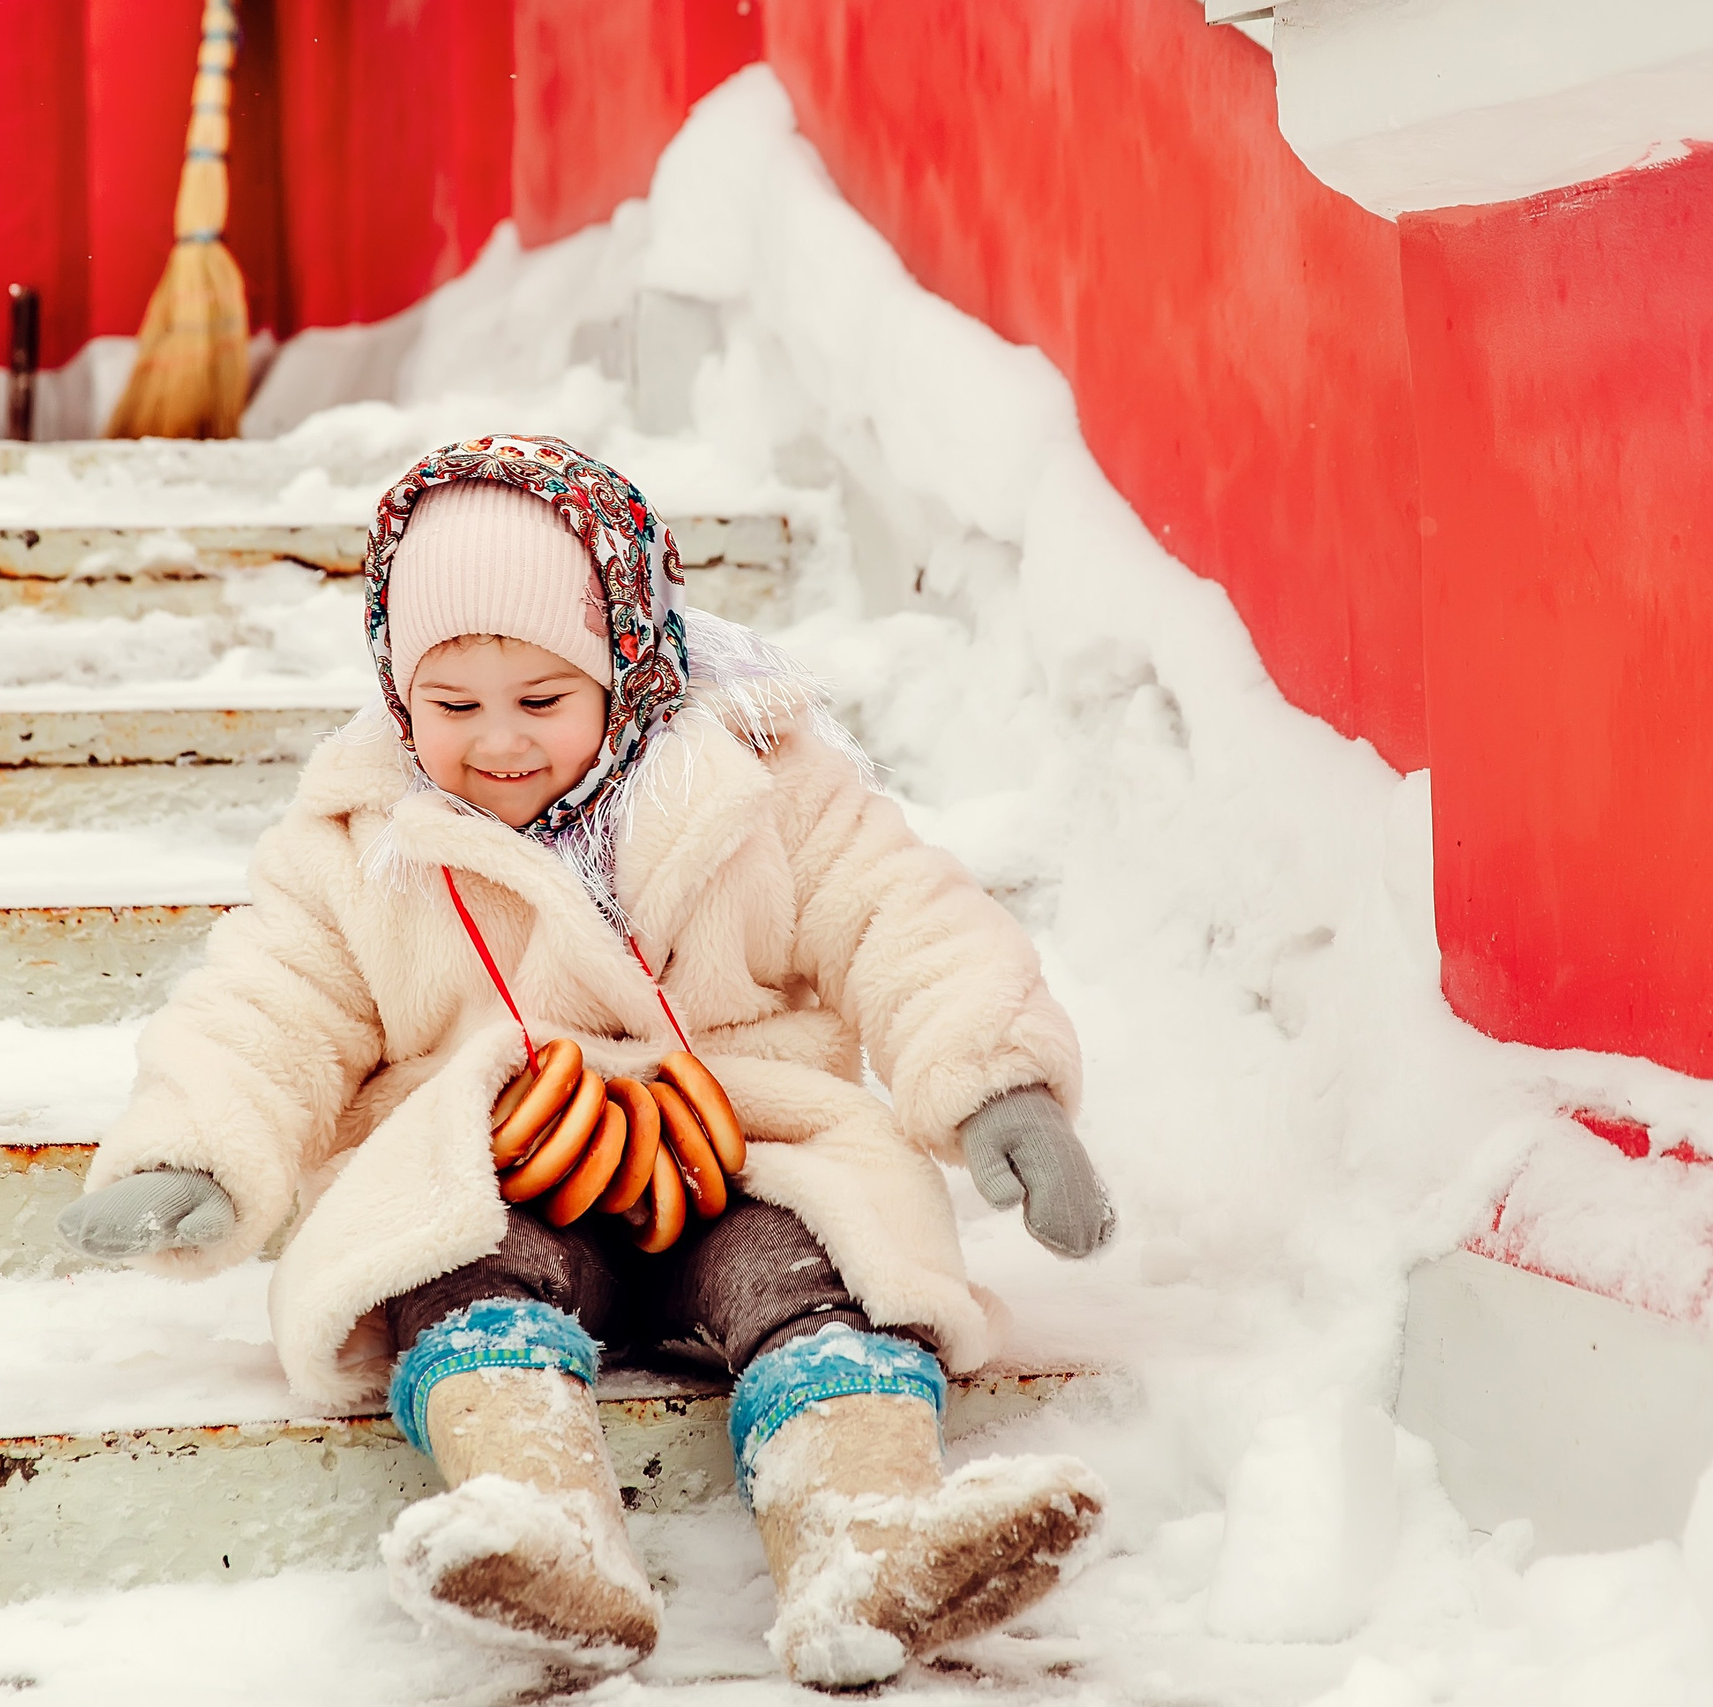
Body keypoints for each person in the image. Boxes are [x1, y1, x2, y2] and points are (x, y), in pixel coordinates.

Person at [58, 434, 1116, 1688]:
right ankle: (542, 1535)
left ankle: (868, 1535)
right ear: (397, 693)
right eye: (453, 707)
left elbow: (903, 919)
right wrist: (197, 1145)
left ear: (627, 660)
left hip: (738, 1159)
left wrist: (997, 1081)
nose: (497, 742)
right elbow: (269, 1002)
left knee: (827, 1272)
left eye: (542, 700)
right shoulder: (363, 839)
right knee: (454, 1273)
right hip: (503, 1174)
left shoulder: (762, 788)